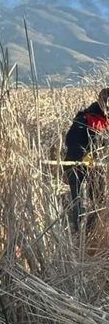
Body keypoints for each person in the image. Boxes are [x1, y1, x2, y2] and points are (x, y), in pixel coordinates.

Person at [64, 88, 109, 234]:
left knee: (99, 201)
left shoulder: (106, 120)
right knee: (79, 201)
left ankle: (90, 232)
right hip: (76, 166)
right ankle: (77, 233)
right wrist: (87, 159)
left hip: (97, 169)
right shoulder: (86, 118)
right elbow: (73, 142)